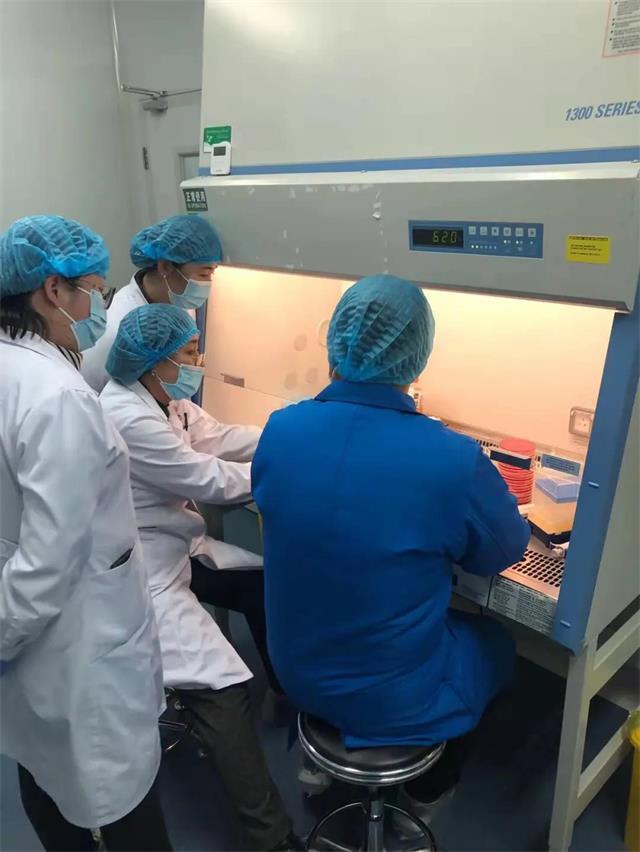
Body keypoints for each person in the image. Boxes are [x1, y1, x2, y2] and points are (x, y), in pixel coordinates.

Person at [252, 274, 530, 822]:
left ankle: (322, 754)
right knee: (496, 643)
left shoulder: (281, 430)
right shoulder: (451, 459)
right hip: (393, 696)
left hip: (296, 670)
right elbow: (501, 551)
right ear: (417, 355)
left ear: (336, 342)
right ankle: (430, 788)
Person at [99, 303, 300, 851]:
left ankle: (288, 695)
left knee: (261, 586)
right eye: (190, 352)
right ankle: (272, 835)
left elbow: (222, 438)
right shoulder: (126, 415)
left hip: (177, 545)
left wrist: (295, 434)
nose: (199, 360)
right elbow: (208, 478)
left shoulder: (168, 400)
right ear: (156, 361)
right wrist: (299, 466)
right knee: (224, 688)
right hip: (142, 572)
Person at [0, 216, 170, 850]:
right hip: (75, 641)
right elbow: (51, 560)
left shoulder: (13, 366)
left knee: (43, 771)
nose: (98, 308)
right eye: (94, 292)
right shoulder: (57, 397)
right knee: (115, 804)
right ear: (53, 289)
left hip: (37, 640)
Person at [82, 213, 221, 393]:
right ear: (165, 266)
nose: (208, 283)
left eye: (212, 273)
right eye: (203, 274)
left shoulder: (182, 308)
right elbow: (100, 396)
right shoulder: (112, 329)